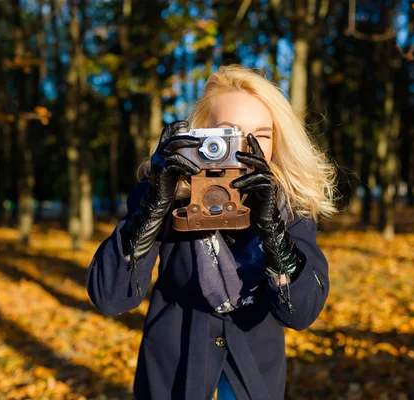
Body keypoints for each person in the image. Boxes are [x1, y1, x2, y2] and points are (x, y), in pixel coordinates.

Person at [86, 65, 337, 400]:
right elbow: (110, 297)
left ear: (276, 141)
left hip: (251, 377)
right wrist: (151, 209)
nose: (247, 147)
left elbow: (302, 311)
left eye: (261, 135)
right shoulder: (165, 194)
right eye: (230, 132)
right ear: (202, 134)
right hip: (173, 375)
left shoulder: (289, 206)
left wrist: (272, 230)